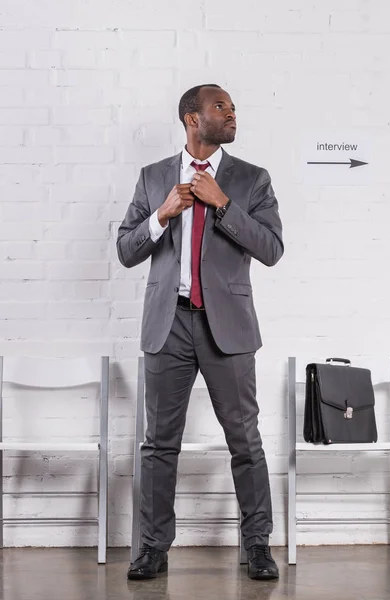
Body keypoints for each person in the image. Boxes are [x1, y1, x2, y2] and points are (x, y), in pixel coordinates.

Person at [117, 84, 284, 581]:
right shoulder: (153, 178)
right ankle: (152, 548)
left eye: (232, 106)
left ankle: (256, 545)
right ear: (192, 118)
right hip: (168, 326)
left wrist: (224, 205)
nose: (231, 113)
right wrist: (161, 216)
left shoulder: (251, 179)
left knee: (245, 441)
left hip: (226, 329)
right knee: (159, 444)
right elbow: (126, 250)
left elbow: (272, 248)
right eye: (221, 107)